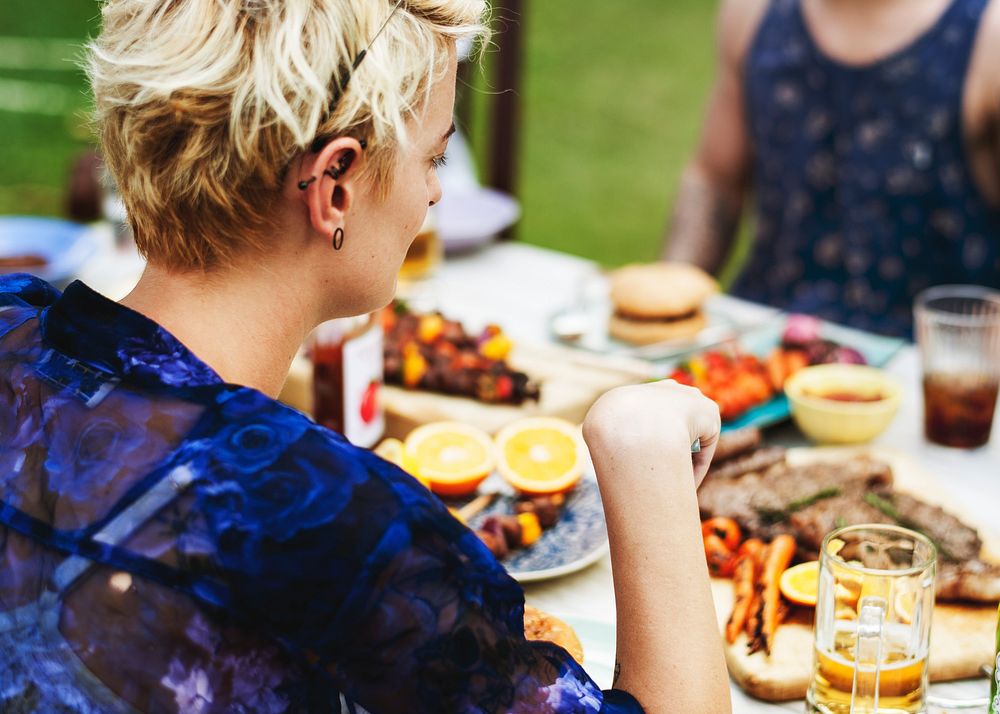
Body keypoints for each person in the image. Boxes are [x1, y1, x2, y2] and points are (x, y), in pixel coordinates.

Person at [0, 1, 731, 712]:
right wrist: (645, 458)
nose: (435, 193)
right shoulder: (325, 515)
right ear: (335, 184)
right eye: (434, 155)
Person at [664, 0, 1000, 337]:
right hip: (764, 347)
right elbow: (715, 180)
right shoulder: (753, 11)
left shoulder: (988, 35)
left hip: (930, 368)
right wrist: (663, 301)